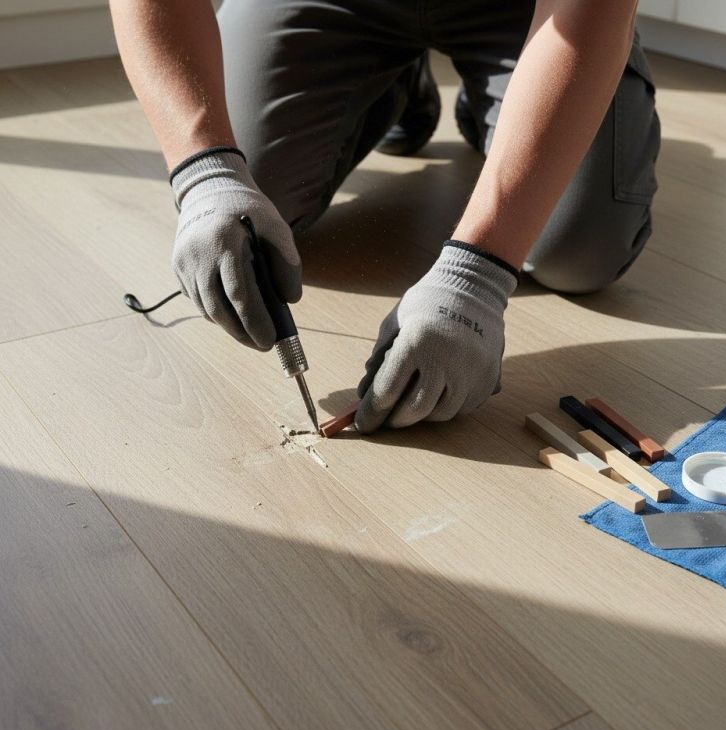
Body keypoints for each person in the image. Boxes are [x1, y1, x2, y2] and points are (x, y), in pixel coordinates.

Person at [109, 0, 659, 433]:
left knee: (576, 247)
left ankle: (501, 96)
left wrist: (479, 273)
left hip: (534, 13)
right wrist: (204, 171)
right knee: (253, 199)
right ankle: (393, 79)